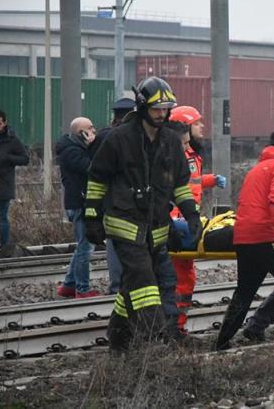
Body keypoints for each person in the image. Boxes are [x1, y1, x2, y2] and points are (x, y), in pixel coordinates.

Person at [84, 76, 202, 352]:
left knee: (135, 286)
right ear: (141, 107)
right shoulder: (118, 139)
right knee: (146, 284)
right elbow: (97, 180)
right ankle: (154, 340)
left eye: (165, 109)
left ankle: (119, 339)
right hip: (125, 225)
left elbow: (180, 186)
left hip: (156, 228)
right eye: (156, 109)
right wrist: (91, 217)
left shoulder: (171, 142)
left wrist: (191, 215)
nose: (162, 114)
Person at [214, 128, 274, 351]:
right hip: (266, 235)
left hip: (244, 236)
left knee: (245, 291)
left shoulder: (258, 168)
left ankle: (221, 342)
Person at [167, 105, 226, 335]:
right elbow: (180, 188)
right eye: (197, 123)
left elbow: (192, 182)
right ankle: (175, 326)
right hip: (178, 219)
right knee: (182, 277)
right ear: (185, 127)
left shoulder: (189, 152)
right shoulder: (180, 154)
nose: (202, 126)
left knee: (183, 275)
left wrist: (210, 180)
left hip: (184, 217)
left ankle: (175, 325)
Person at [90, 97, 136, 294]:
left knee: (113, 241)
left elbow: (92, 168)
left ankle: (117, 284)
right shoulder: (130, 137)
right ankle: (122, 284)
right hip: (125, 198)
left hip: (108, 198)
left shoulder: (103, 136)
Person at [55, 117, 100, 299]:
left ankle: (68, 285)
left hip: (78, 202)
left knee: (82, 246)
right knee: (85, 248)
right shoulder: (72, 151)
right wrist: (91, 147)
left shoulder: (73, 149)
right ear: (80, 132)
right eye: (90, 128)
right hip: (79, 203)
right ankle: (82, 289)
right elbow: (90, 168)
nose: (94, 131)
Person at [0, 109, 29, 250]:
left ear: (5, 123)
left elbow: (25, 159)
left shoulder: (12, 140)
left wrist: (6, 158)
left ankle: (4, 247)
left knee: (2, 218)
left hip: (4, 185)